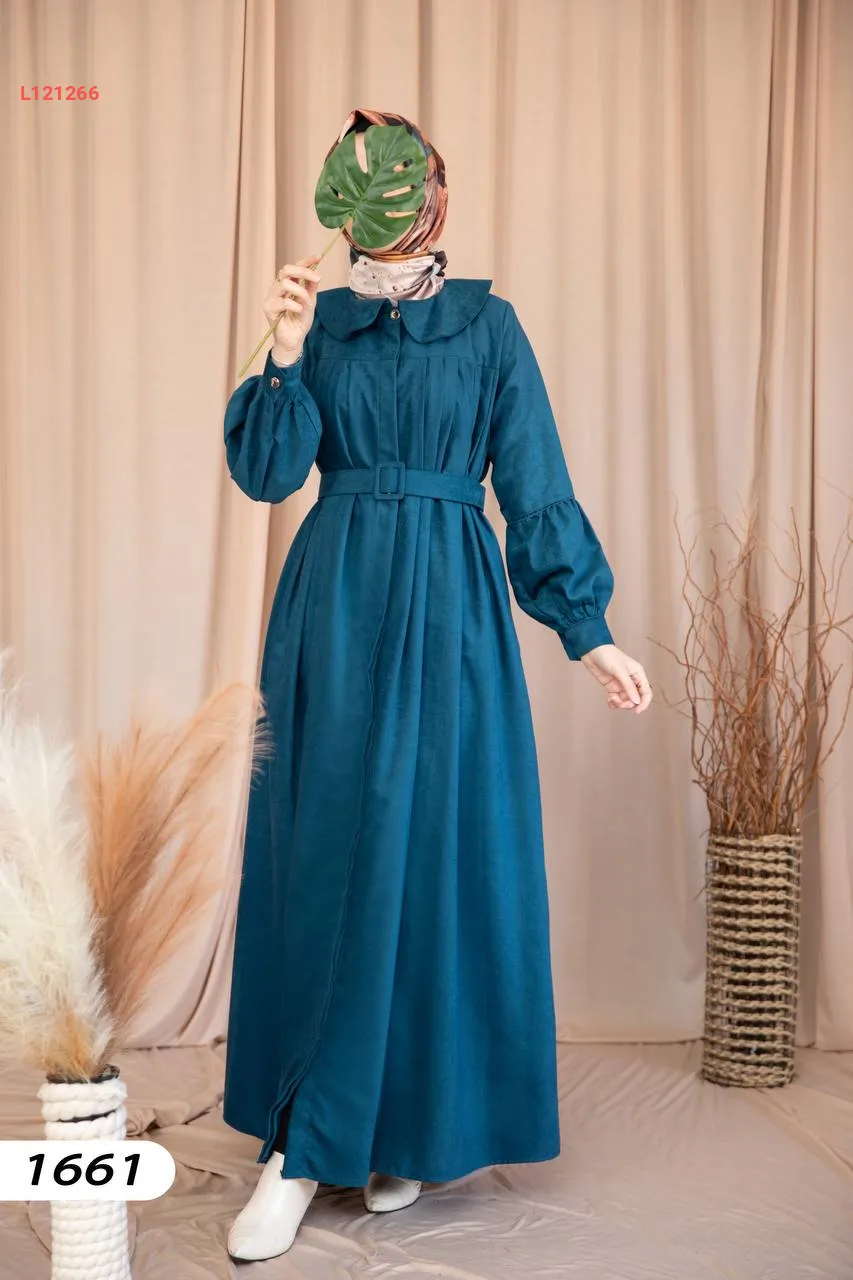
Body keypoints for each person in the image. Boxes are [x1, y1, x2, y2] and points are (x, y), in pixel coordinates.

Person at [222, 107, 652, 1262]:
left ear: (437, 198)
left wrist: (588, 631)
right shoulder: (322, 325)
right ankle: (299, 1146)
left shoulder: (489, 328)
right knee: (327, 859)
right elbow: (267, 472)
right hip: (335, 606)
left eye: (407, 187)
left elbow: (536, 483)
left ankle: (406, 1124)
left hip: (455, 613)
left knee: (435, 862)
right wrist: (281, 351)